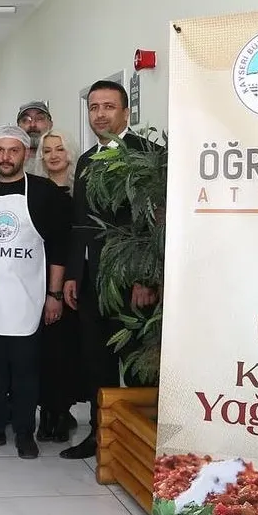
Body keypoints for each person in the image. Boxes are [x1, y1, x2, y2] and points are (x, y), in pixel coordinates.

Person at [62, 80, 160, 460]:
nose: (100, 114)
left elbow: (153, 225)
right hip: (91, 282)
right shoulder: (87, 160)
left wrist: (146, 279)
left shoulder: (148, 156)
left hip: (132, 283)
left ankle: (140, 444)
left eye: (108, 106)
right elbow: (80, 224)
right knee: (96, 362)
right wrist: (73, 273)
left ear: (125, 112)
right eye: (94, 107)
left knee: (136, 366)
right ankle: (98, 435)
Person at [0, 125, 68, 460]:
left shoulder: (43, 192)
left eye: (13, 151)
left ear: (26, 153)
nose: (5, 157)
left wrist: (54, 295)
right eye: (0, 150)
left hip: (27, 297)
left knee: (25, 369)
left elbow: (58, 248)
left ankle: (24, 431)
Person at [35, 130, 79, 443]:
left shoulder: (81, 191)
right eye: (47, 150)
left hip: (73, 281)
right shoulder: (35, 191)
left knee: (67, 350)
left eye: (59, 149)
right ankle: (46, 413)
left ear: (70, 153)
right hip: (38, 279)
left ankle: (62, 411)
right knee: (42, 351)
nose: (53, 155)